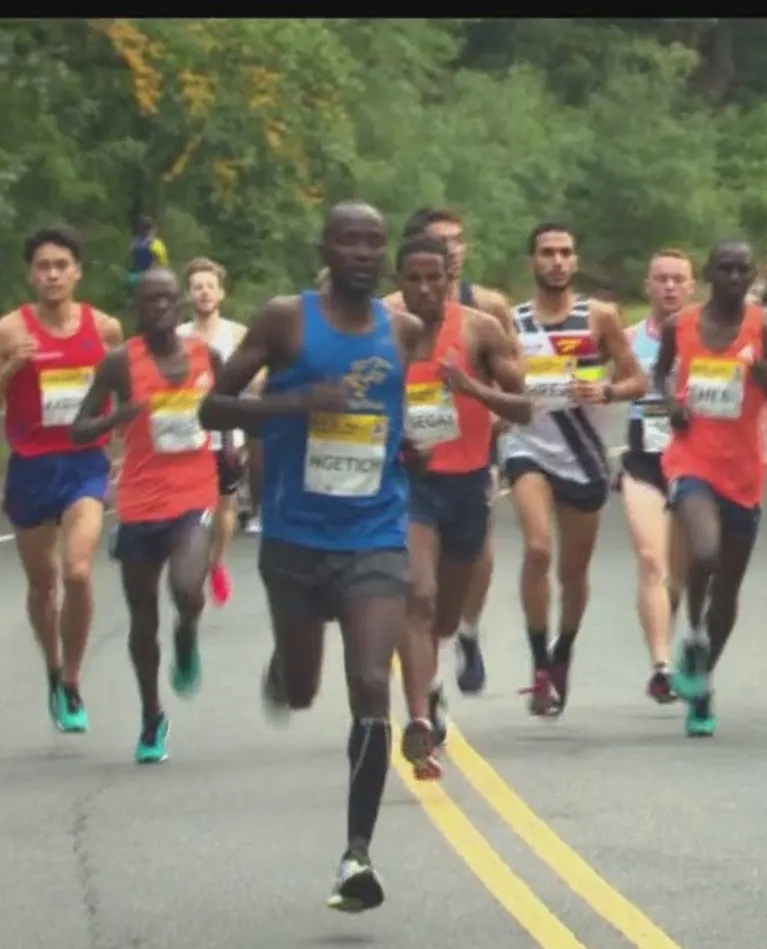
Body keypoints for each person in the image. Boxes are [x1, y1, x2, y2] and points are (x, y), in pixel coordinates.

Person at [198, 201, 432, 913]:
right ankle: (284, 666)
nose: (362, 252)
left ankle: (357, 855)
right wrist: (293, 405)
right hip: (296, 538)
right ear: (324, 250)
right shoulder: (285, 320)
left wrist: (405, 443)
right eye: (348, 240)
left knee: (371, 683)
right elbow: (213, 409)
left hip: (375, 534)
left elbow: (385, 413)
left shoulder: (404, 331)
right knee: (303, 690)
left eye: (373, 241)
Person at [63, 269, 220, 763]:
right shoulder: (119, 362)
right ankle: (152, 716)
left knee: (187, 589)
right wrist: (117, 417)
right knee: (143, 618)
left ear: (179, 304)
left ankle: (187, 633)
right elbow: (79, 428)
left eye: (167, 299)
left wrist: (233, 452)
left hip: (194, 494)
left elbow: (228, 408)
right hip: (140, 502)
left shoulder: (206, 356)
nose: (160, 308)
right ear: (137, 306)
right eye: (150, 300)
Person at [0, 225, 124, 734]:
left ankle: (74, 679)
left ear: (78, 272)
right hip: (32, 467)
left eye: (62, 265)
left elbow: (127, 397)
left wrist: (128, 452)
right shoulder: (6, 333)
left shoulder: (105, 329)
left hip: (85, 464)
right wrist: (10, 369)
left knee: (78, 571)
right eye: (43, 267)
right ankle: (53, 670)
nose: (53, 275)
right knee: (43, 583)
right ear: (30, 275)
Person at [387, 234, 530, 771]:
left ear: (451, 279)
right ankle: (420, 719)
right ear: (399, 282)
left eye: (435, 278)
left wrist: (473, 390)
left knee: (443, 615)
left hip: (467, 486)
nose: (425, 289)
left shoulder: (479, 330)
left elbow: (523, 408)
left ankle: (432, 673)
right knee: (418, 596)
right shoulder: (383, 333)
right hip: (409, 484)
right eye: (414, 279)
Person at [499, 221, 649, 716]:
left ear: (576, 261)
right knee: (538, 549)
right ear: (533, 261)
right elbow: (497, 383)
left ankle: (563, 651)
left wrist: (605, 390)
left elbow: (636, 380)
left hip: (583, 452)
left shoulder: (598, 317)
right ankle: (539, 664)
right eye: (547, 252)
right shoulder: (513, 322)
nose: (557, 261)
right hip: (528, 446)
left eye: (565, 252)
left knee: (573, 571)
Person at [657, 241, 767, 735]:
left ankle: (703, 680)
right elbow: (661, 375)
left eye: (744, 270)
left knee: (729, 588)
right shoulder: (681, 326)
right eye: (726, 269)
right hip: (691, 460)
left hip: (744, 472)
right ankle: (694, 631)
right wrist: (671, 404)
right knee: (704, 552)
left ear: (754, 275)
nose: (735, 278)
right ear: (709, 273)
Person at [621, 249, 698, 703]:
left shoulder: (707, 337)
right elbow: (600, 386)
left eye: (677, 279)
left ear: (691, 287)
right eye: (661, 279)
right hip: (643, 461)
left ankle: (670, 641)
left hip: (694, 463)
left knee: (680, 575)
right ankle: (661, 666)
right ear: (647, 285)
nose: (669, 287)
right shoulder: (628, 339)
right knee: (651, 560)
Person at [180, 256, 249, 607]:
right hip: (186, 434)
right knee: (190, 507)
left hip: (228, 434)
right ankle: (189, 562)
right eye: (197, 287)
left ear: (221, 293)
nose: (204, 292)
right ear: (188, 295)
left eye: (210, 286)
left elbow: (259, 378)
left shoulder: (238, 334)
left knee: (226, 505)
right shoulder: (177, 337)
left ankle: (217, 561)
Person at [128, 214, 169, 284]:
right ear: (153, 229)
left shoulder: (134, 243)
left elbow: (130, 260)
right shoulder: (157, 244)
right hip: (152, 276)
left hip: (136, 276)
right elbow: (162, 262)